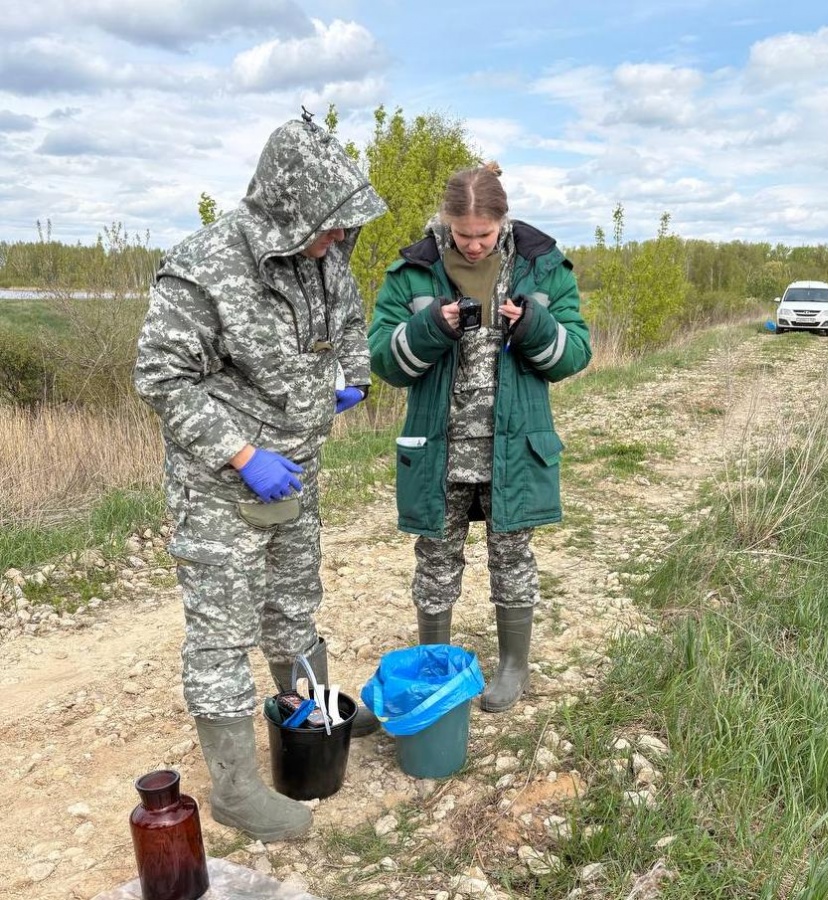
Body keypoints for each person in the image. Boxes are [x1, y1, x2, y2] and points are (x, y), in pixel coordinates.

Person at [134, 109, 386, 843]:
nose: (338, 240)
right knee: (221, 632)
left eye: (344, 228)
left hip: (297, 467)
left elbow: (344, 320)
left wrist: (354, 376)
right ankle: (238, 790)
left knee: (294, 603)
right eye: (328, 226)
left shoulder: (324, 254)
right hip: (224, 483)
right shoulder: (204, 267)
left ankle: (313, 714)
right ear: (287, 208)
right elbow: (160, 377)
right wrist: (244, 455)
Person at [367, 162, 591, 714]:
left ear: (502, 222)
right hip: (438, 451)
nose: (472, 245)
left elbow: (577, 353)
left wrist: (535, 327)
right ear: (446, 221)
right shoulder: (412, 271)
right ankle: (434, 670)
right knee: (435, 560)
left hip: (513, 451)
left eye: (483, 236)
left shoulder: (542, 268)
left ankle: (513, 667)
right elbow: (381, 359)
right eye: (462, 235)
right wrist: (430, 329)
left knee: (512, 557)